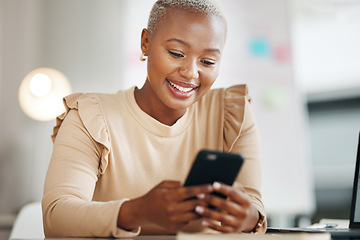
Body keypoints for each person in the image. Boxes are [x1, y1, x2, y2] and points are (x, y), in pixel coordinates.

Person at [42, 0, 267, 238]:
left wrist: (247, 217)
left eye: (208, 61)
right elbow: (56, 217)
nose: (190, 72)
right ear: (146, 43)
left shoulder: (232, 113)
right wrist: (137, 211)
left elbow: (255, 209)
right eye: (176, 53)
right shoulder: (90, 117)